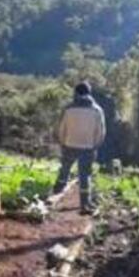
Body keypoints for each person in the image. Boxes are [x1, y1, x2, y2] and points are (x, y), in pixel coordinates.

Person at [51, 82, 106, 215]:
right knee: (85, 176)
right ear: (89, 93)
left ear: (76, 92)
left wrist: (62, 142)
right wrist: (95, 145)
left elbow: (61, 128)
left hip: (69, 144)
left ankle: (55, 194)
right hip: (88, 147)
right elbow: (101, 131)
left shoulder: (68, 109)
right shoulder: (96, 110)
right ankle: (84, 204)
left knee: (65, 169)